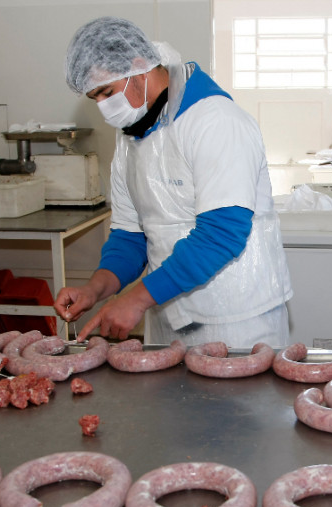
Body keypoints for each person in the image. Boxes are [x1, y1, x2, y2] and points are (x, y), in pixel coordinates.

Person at [55, 17, 293, 348]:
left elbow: (221, 234)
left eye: (107, 92)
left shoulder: (216, 121)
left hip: (236, 320)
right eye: (95, 98)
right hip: (166, 312)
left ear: (139, 66)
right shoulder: (130, 138)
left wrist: (135, 299)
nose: (104, 108)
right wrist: (95, 288)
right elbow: (131, 236)